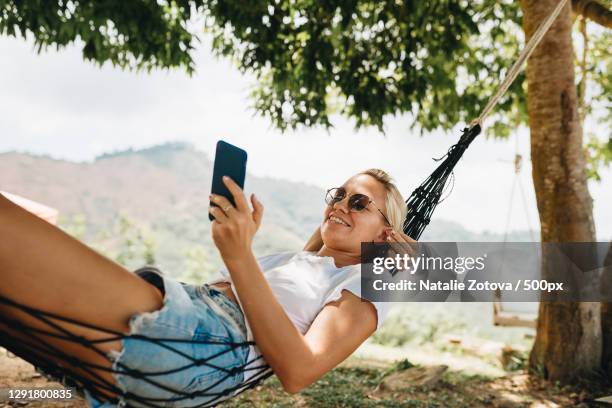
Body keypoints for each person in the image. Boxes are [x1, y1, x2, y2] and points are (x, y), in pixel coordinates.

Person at [0, 168, 415, 407]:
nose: (341, 204)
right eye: (339, 194)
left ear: (385, 232)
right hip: (188, 331)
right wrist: (243, 253)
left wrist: (240, 256)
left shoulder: (365, 282)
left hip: (200, 346)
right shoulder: (293, 261)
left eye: (359, 203)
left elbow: (300, 371)